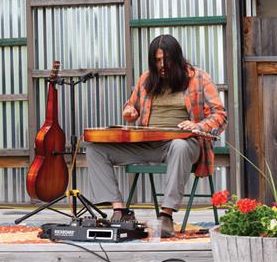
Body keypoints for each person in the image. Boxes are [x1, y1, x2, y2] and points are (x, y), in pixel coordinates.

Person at [86, 34, 227, 238]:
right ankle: (120, 211)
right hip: (148, 144)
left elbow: (220, 115)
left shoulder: (199, 78)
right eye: (157, 60)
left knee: (179, 145)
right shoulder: (146, 79)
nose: (162, 65)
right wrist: (129, 112)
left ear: (177, 58)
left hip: (185, 144)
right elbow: (130, 106)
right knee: (95, 148)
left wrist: (197, 125)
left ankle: (166, 216)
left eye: (166, 60)